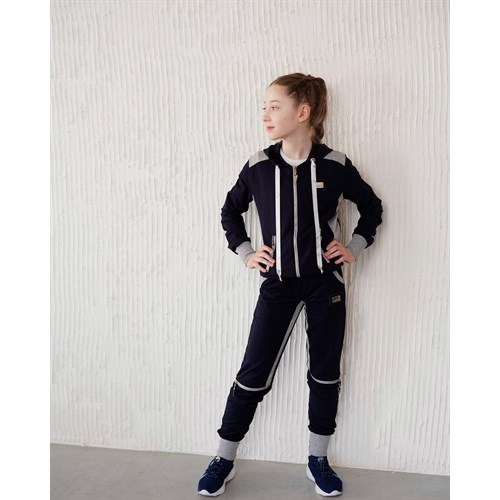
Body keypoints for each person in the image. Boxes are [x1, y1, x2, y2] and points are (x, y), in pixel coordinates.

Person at [197, 73, 383, 497]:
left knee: (325, 375)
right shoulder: (258, 166)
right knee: (252, 375)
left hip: (325, 285)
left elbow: (372, 207)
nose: (265, 115)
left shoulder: (335, 165)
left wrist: (354, 246)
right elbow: (230, 212)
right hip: (277, 287)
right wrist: (247, 252)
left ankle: (317, 459)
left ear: (303, 112)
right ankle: (223, 458)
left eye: (274, 106)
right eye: (263, 107)